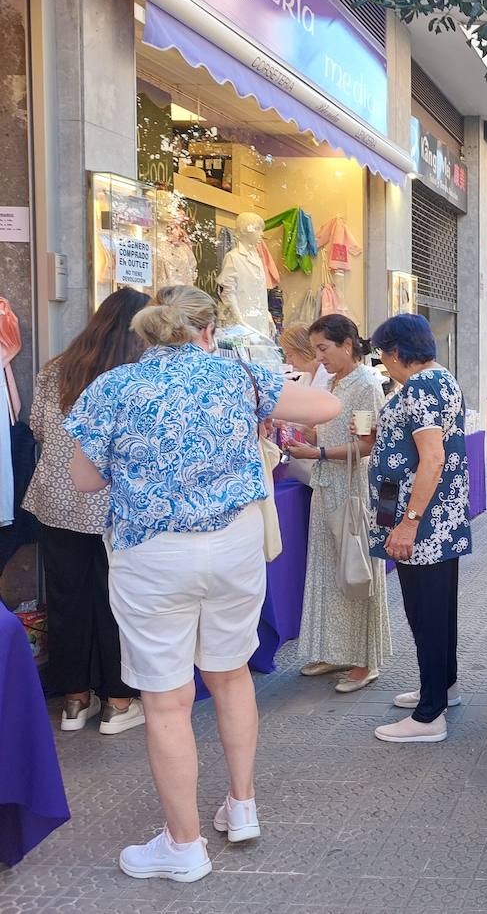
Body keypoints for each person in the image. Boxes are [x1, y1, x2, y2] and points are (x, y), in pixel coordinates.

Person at [64, 285, 340, 883]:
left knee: (167, 698)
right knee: (232, 671)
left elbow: (83, 481)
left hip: (153, 553)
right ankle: (241, 806)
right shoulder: (236, 376)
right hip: (235, 546)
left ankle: (183, 845)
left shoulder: (113, 386)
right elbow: (326, 411)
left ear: (147, 333)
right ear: (207, 330)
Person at [25, 288, 150, 737]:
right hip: (115, 507)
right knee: (117, 602)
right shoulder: (135, 377)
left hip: (55, 502)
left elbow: (38, 427)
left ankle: (74, 700)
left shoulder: (56, 368)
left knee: (66, 600)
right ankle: (118, 702)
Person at [367, 314, 471, 743]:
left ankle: (430, 716)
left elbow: (432, 458)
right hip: (434, 519)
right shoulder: (441, 379)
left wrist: (408, 525)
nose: (384, 364)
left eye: (383, 355)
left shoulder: (421, 387)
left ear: (395, 351)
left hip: (423, 522)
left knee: (426, 613)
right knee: (437, 611)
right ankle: (441, 689)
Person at [285, 315, 390, 692]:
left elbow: (366, 445)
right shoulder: (331, 382)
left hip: (352, 487)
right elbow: (323, 428)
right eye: (315, 350)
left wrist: (316, 450)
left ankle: (366, 660)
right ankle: (333, 648)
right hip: (328, 482)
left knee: (356, 568)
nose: (320, 357)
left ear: (348, 345)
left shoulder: (365, 385)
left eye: (324, 348)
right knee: (329, 569)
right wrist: (301, 431)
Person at [279, 324, 333, 389]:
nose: (288, 362)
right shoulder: (306, 377)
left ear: (304, 350)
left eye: (290, 355)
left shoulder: (328, 377)